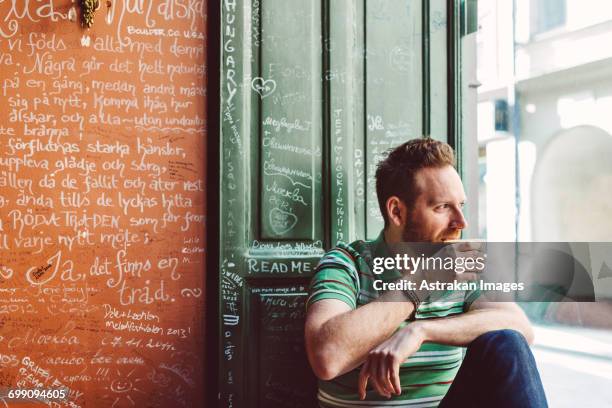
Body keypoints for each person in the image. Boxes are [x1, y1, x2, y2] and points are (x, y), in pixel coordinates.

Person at [304, 139, 548, 407]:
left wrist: (421, 330)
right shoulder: (347, 263)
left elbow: (520, 329)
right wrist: (423, 281)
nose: (461, 222)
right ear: (397, 211)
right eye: (442, 207)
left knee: (507, 341)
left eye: (461, 205)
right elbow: (327, 357)